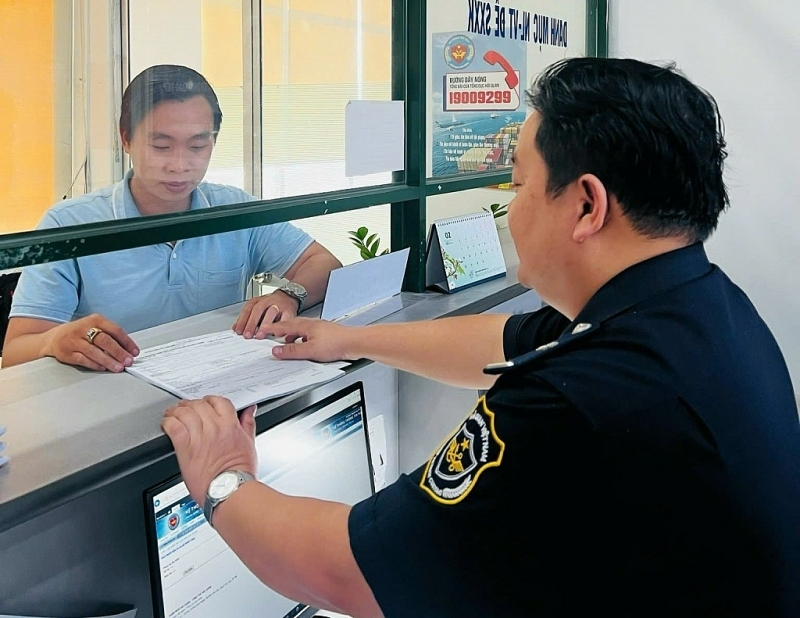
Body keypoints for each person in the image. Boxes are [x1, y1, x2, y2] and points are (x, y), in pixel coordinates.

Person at [161, 58, 800, 617]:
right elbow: (507, 338)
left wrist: (221, 478)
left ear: (586, 206)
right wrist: (350, 339)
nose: (510, 206)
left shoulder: (578, 402)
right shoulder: (691, 305)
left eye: (518, 184)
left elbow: (345, 574)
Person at [3, 64, 341, 371]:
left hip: (219, 387)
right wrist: (53, 340)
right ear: (126, 139)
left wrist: (287, 295)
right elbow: (16, 349)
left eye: (197, 146)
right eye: (161, 146)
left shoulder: (233, 210)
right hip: (111, 398)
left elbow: (323, 262)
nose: (180, 165)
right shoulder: (69, 224)